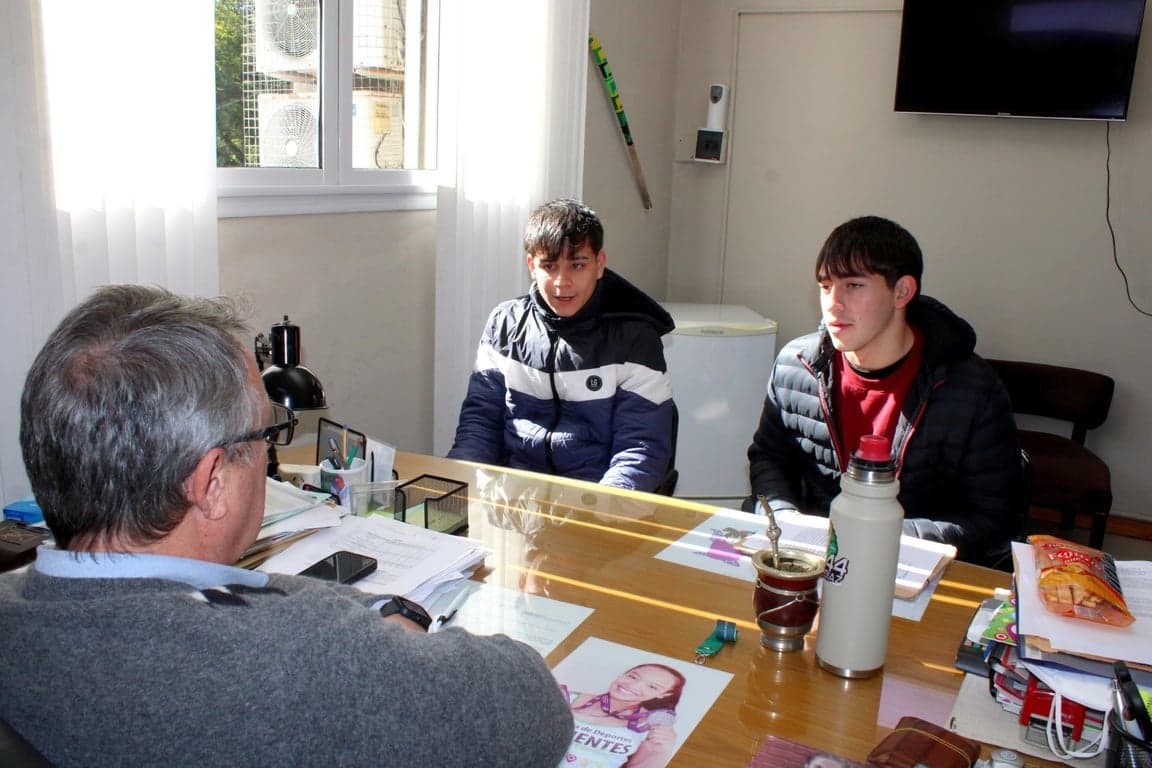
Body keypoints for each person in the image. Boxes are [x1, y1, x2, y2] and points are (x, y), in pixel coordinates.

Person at [0, 285, 573, 767]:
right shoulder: (303, 655)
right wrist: (376, 629)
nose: (270, 449)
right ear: (213, 482)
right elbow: (534, 709)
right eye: (264, 436)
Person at [744, 216, 1024, 564]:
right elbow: (770, 457)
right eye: (826, 286)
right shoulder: (794, 366)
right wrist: (783, 517)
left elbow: (995, 520)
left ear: (902, 291)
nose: (833, 303)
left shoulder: (972, 389)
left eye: (854, 285)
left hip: (919, 573)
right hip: (810, 563)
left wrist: (877, 536)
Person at [449, 198, 677, 493]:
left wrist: (599, 511)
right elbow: (479, 424)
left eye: (577, 265)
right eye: (549, 265)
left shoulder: (635, 338)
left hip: (595, 499)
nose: (562, 282)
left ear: (599, 264)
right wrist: (456, 488)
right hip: (515, 497)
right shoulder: (504, 324)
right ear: (531, 266)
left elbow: (639, 449)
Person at [561, 663, 685, 768]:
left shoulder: (651, 727)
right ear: (622, 674)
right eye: (632, 677)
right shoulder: (564, 698)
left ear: (664, 694)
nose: (633, 685)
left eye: (652, 687)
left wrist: (662, 750)